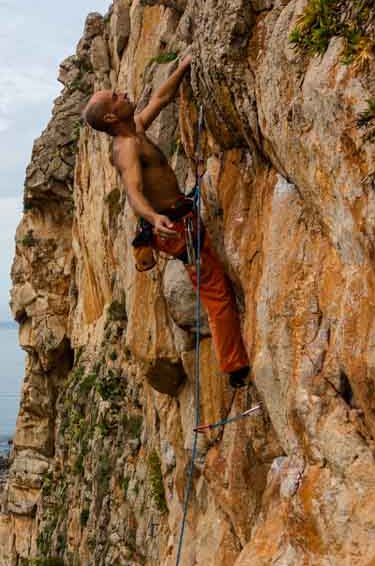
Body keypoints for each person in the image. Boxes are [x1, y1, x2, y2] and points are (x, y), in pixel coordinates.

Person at [81, 55, 251, 387]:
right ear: (112, 116)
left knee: (214, 283)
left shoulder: (138, 129)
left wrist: (183, 67)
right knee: (216, 294)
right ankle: (235, 369)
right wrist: (153, 215)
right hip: (174, 227)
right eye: (116, 96)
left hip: (180, 218)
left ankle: (232, 361)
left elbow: (160, 97)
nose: (124, 93)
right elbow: (133, 191)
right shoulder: (126, 147)